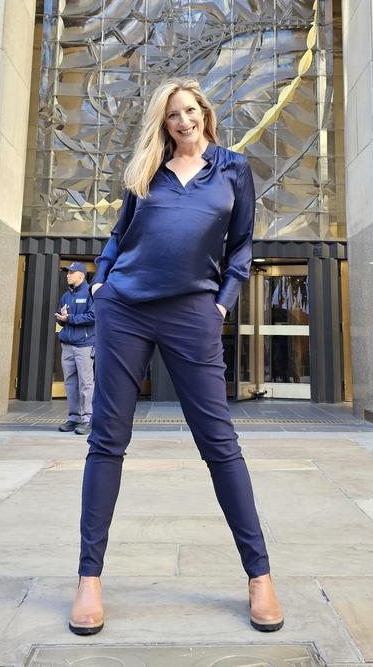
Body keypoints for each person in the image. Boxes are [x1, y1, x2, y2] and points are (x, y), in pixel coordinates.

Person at [69, 78, 284, 635]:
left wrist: (222, 305)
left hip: (192, 311)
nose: (183, 121)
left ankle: (259, 576)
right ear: (162, 124)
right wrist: (100, 281)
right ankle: (88, 579)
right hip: (126, 308)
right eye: (172, 116)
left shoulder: (233, 169)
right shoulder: (147, 171)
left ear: (205, 113)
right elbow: (119, 235)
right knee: (107, 440)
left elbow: (240, 245)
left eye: (190, 111)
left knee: (220, 443)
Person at [56, 262, 96, 436]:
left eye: (71, 272)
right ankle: (74, 418)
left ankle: (88, 419)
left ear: (81, 275)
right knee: (70, 383)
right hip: (67, 346)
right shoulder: (66, 296)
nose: (67, 275)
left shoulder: (90, 293)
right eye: (67, 272)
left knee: (86, 383)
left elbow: (93, 316)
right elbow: (61, 319)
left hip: (84, 346)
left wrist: (69, 318)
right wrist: (61, 319)